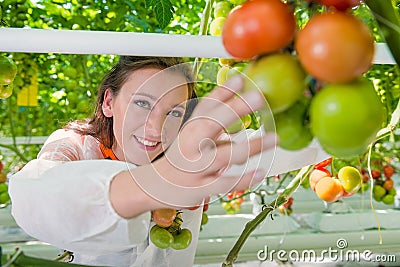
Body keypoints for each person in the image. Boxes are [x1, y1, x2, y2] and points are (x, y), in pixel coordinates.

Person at [8, 56, 278, 266]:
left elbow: (272, 147)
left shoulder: (192, 150)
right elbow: (35, 192)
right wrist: (144, 187)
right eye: (142, 104)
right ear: (109, 102)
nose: (155, 128)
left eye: (174, 112)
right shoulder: (74, 144)